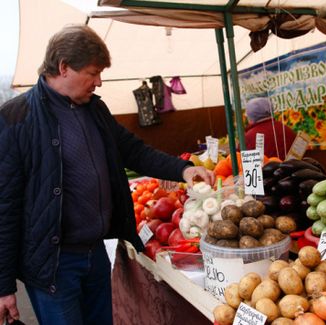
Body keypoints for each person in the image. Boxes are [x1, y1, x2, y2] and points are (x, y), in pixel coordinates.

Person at [0, 25, 214, 325]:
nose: (99, 82)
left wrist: (183, 169)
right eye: (93, 72)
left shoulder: (94, 110)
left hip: (95, 253)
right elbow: (5, 207)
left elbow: (134, 151)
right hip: (53, 266)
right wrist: (3, 286)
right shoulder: (16, 119)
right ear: (64, 67)